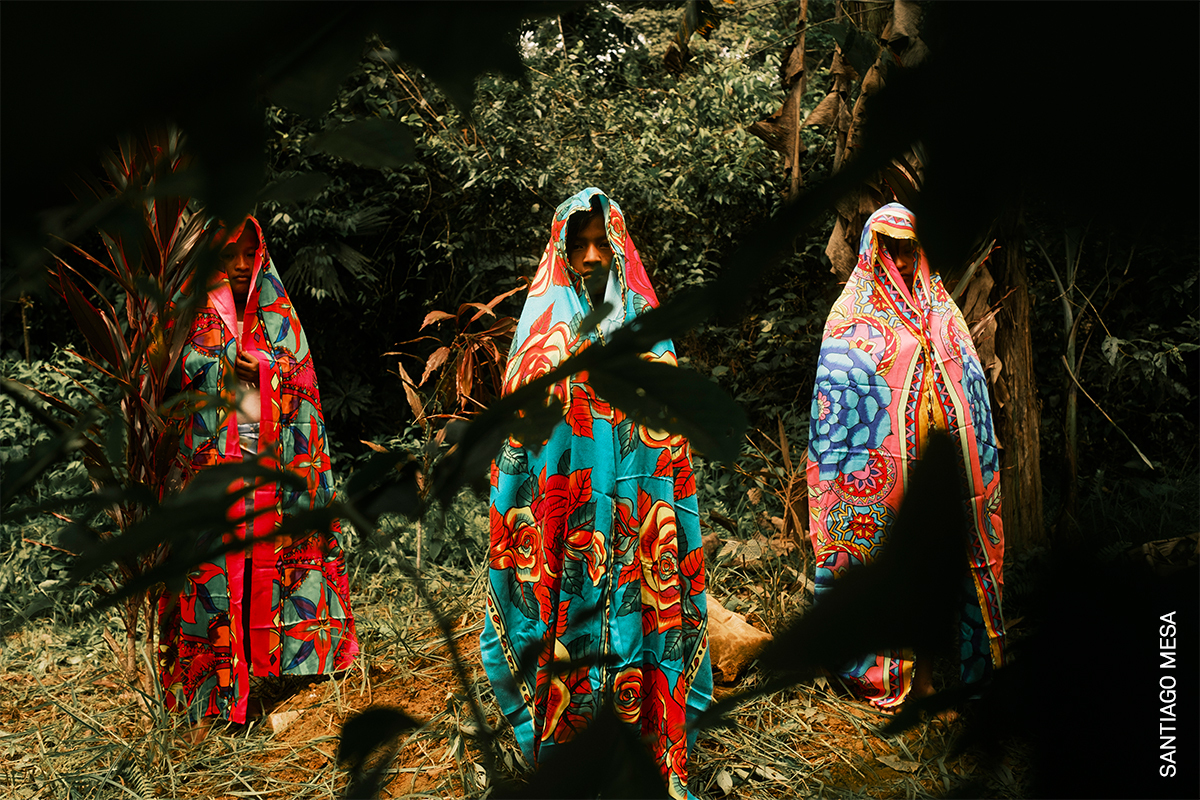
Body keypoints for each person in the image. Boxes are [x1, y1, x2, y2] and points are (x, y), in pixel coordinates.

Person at [481, 188, 712, 799]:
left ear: (616, 248)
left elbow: (670, 432)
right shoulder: (539, 334)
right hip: (565, 527)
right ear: (560, 249)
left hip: (639, 527)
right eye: (577, 244)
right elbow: (521, 437)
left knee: (638, 632)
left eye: (599, 243)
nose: (589, 257)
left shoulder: (645, 329)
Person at [158, 216, 358, 728]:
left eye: (251, 252)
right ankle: (213, 699)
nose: (244, 265)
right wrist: (225, 361)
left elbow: (303, 378)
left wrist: (266, 369)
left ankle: (279, 674)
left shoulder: (276, 310)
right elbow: (164, 379)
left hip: (273, 468)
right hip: (210, 474)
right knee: (216, 579)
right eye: (231, 254)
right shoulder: (186, 310)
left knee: (268, 570)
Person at [805, 203, 1005, 711]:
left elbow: (970, 390)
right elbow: (837, 414)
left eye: (908, 247)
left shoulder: (944, 313)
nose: (900, 257)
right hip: (879, 486)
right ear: (874, 249)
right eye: (889, 247)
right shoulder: (850, 318)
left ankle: (937, 677)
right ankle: (895, 677)